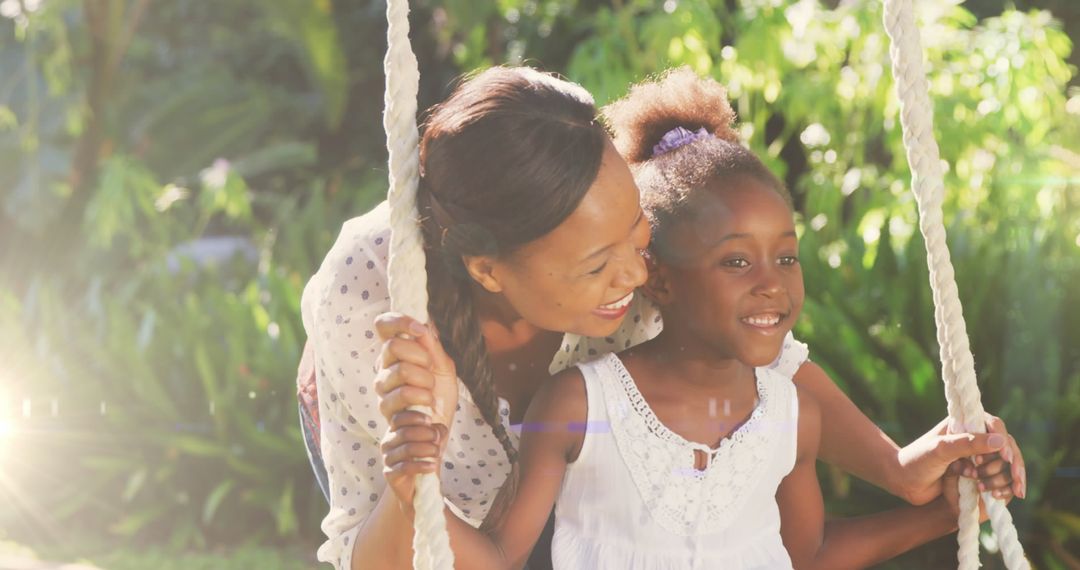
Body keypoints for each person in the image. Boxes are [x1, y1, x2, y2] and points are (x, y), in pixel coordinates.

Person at [298, 66, 1024, 570]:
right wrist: (414, 463)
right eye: (597, 266)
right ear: (490, 270)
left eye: (638, 240)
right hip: (409, 465)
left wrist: (901, 471)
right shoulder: (375, 314)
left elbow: (770, 351)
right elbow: (377, 547)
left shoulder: (640, 270)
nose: (639, 276)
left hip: (547, 481)